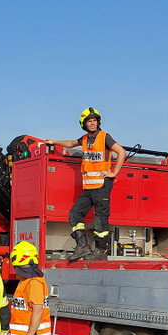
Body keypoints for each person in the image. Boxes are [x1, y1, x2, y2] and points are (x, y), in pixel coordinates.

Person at [43, 106, 126, 261]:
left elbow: (121, 152)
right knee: (75, 214)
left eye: (94, 120)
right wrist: (54, 141)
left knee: (100, 220)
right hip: (89, 188)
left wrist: (114, 172)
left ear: (98, 122)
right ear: (84, 124)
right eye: (89, 121)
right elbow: (71, 143)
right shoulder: (84, 139)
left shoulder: (105, 137)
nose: (93, 123)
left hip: (102, 185)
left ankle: (100, 252)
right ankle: (83, 247)